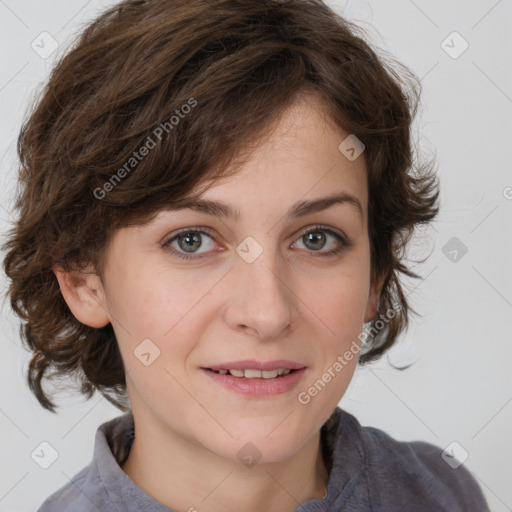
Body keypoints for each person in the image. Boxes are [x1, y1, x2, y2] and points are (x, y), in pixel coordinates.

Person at [2, 0, 490, 510]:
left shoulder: (444, 494)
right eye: (191, 240)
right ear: (83, 279)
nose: (267, 314)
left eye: (317, 238)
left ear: (375, 276)